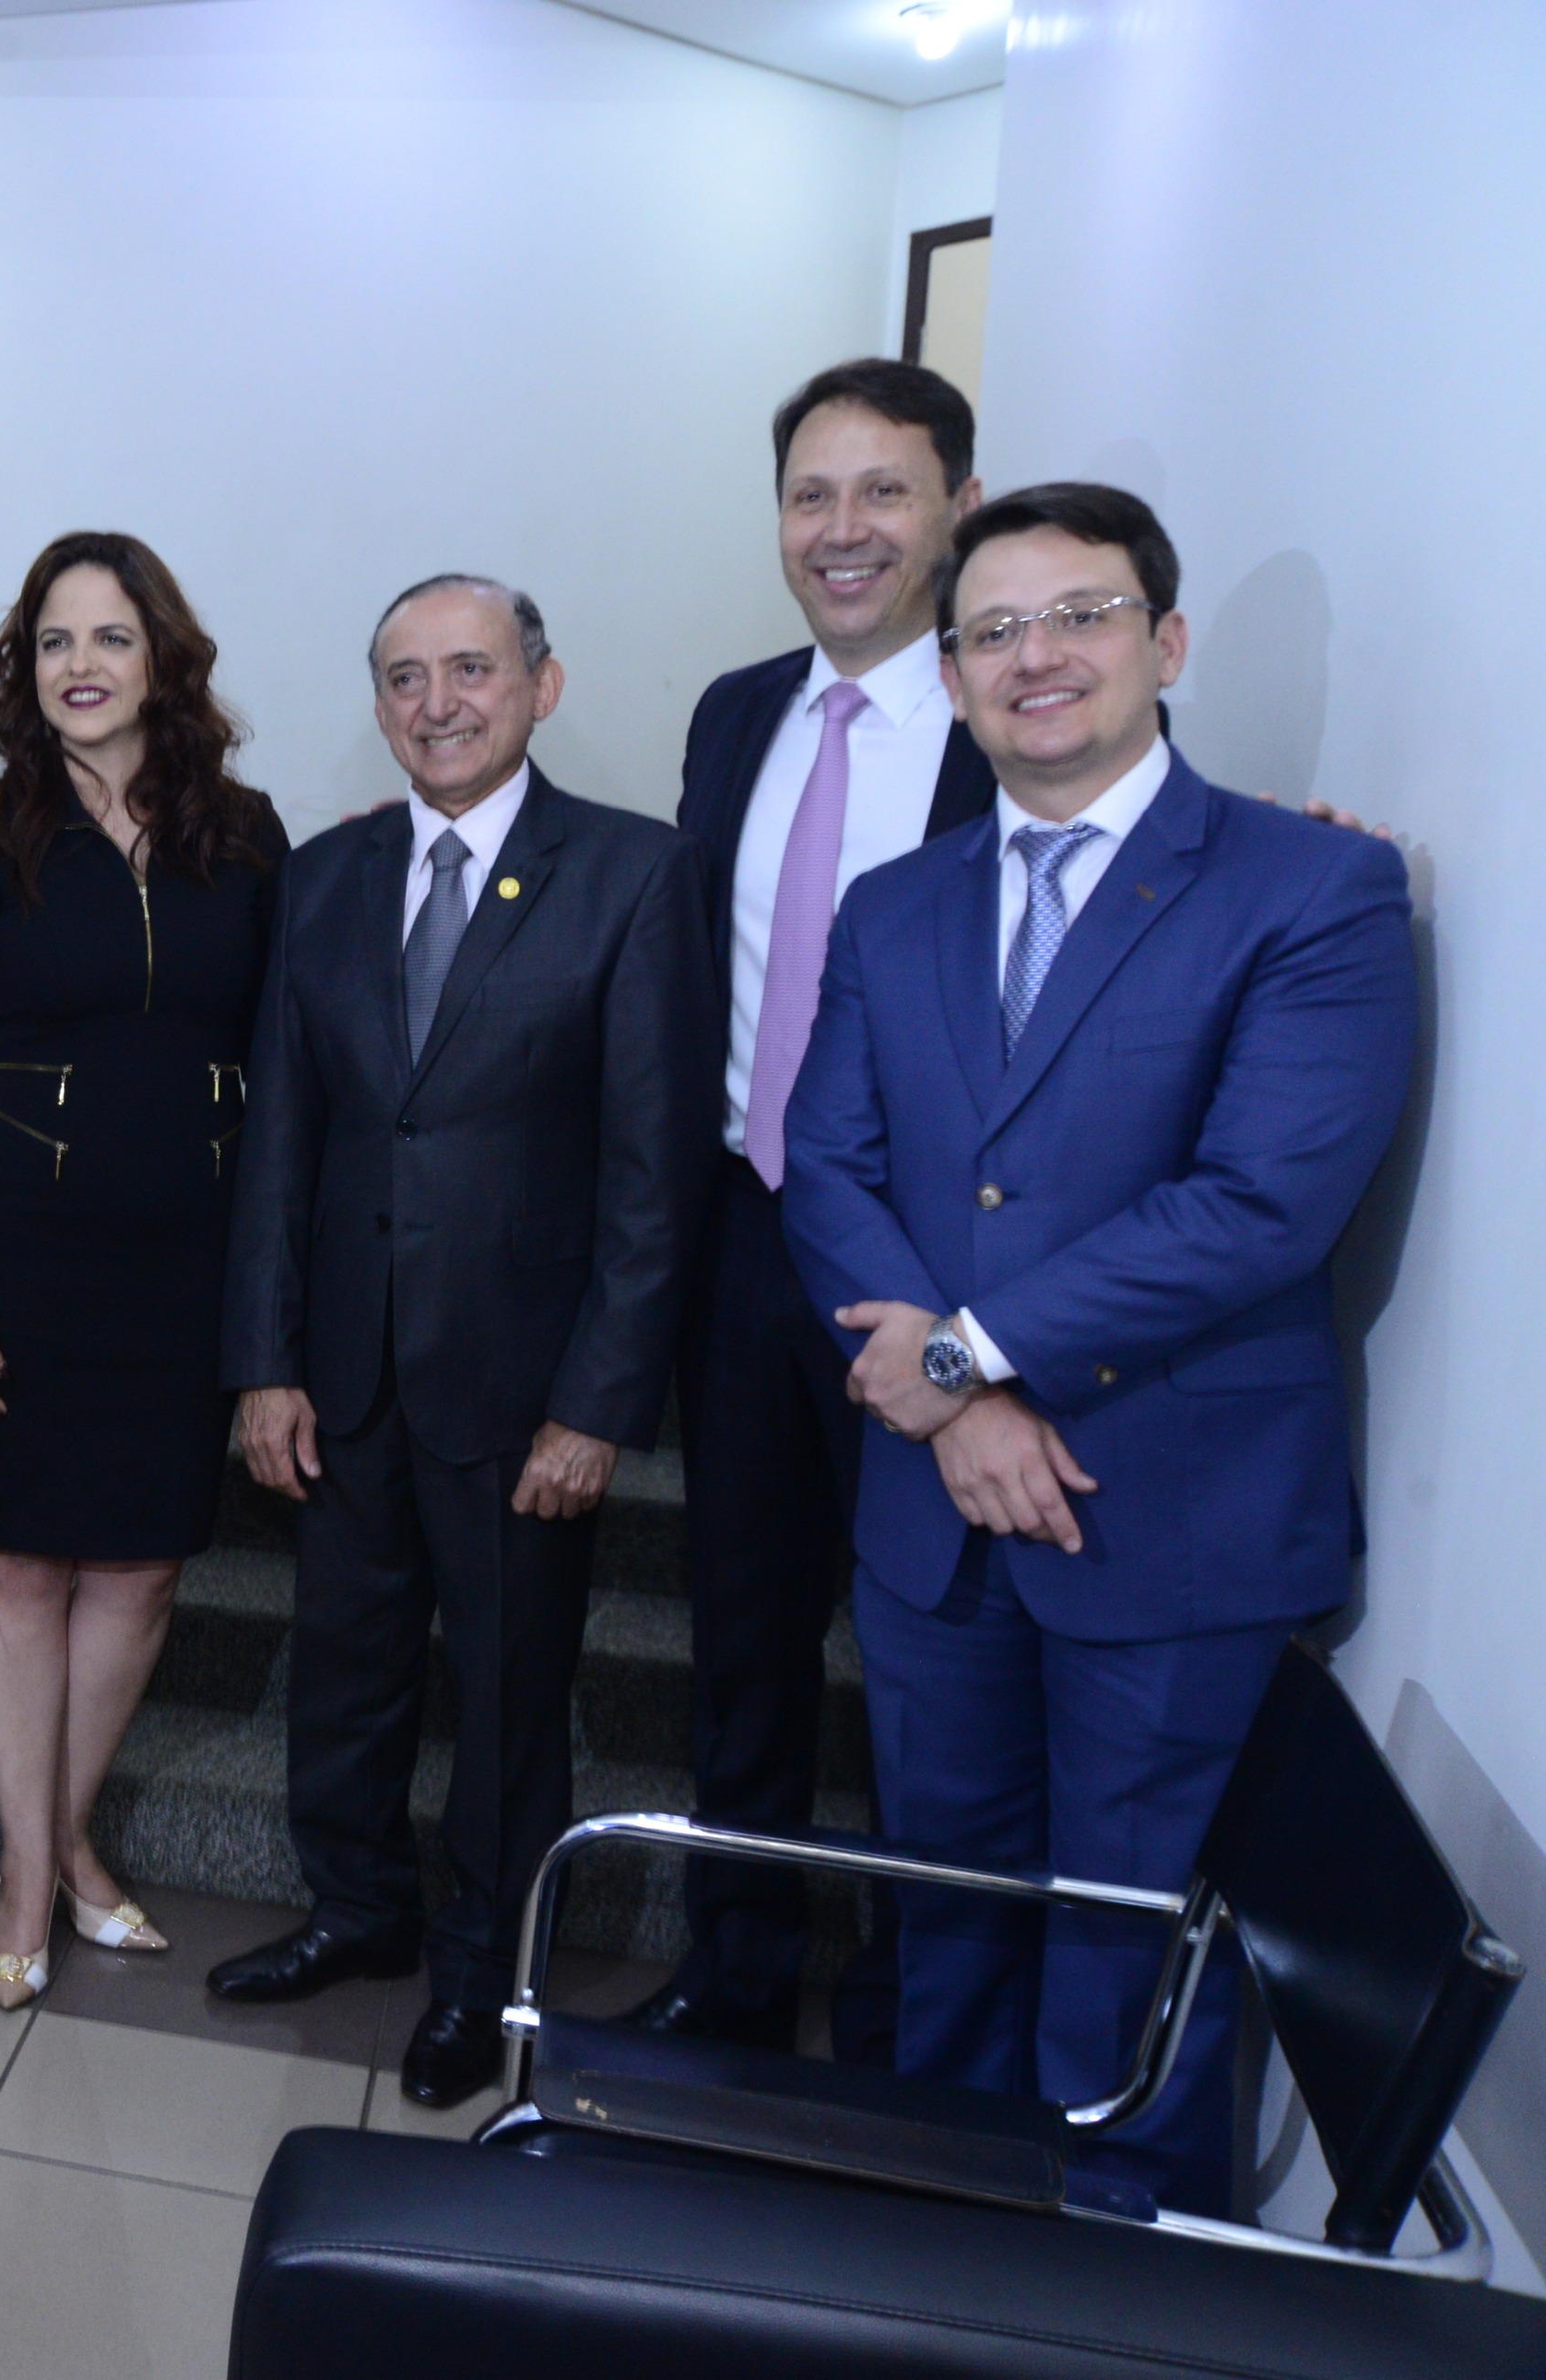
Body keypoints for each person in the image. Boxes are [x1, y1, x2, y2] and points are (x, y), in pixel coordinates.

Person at [780, 483, 1414, 2214]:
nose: (1034, 656)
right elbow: (827, 1165)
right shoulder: (895, 905)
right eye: (992, 630)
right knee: (950, 1922)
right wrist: (953, 1408)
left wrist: (964, 1359)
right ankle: (939, 2262)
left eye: (1080, 615)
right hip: (935, 1526)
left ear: (1167, 642)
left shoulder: (1314, 885)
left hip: (1168, 1518)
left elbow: (1260, 1204)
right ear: (954, 674)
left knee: (1132, 1971)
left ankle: (1112, 2296)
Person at [219, 575, 712, 2110]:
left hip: (521, 1387)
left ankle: (480, 1967)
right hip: (345, 1371)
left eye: (471, 670)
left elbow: (656, 1172)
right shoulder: (327, 873)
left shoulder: (633, 874)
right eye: (405, 677)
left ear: (540, 687)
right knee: (344, 1669)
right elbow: (283, 1134)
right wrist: (265, 1358)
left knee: (505, 1695)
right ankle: (356, 1906)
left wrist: (598, 1403)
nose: (438, 703)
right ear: (378, 702)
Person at [629, 358, 993, 2062]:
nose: (843, 530)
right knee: (744, 1630)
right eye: (810, 496)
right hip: (740, 1230)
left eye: (883, 491)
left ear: (958, 509)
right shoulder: (738, 710)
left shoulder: (1008, 716)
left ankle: (918, 2009)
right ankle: (739, 1971)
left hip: (931, 1266)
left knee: (929, 1654)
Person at [0, 532, 287, 2010]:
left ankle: (59, 1838)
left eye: (111, 637)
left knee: (140, 1561)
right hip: (24, 1259)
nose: (81, 665)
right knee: (17, 1558)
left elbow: (290, 1058)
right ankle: (27, 1871)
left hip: (190, 1263)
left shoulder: (244, 836)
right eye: (55, 640)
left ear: (160, 657)